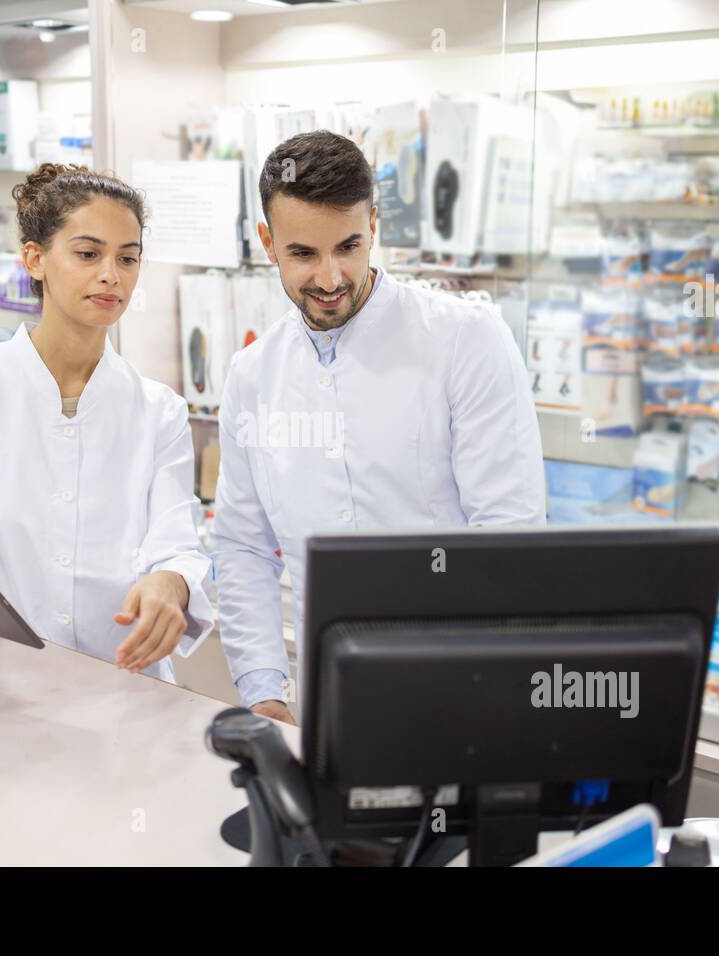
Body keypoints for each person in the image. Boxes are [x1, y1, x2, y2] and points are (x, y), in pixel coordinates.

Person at [213, 130, 546, 724]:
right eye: (303, 254)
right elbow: (243, 545)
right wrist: (264, 688)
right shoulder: (252, 375)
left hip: (462, 690)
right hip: (330, 695)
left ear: (375, 223)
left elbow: (509, 535)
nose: (332, 277)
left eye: (349, 245)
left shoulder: (465, 339)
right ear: (267, 242)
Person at [0, 163, 212, 680]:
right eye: (87, 253)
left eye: (128, 258)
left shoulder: (158, 410)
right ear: (35, 259)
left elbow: (176, 543)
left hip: (121, 687)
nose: (111, 275)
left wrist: (173, 582)